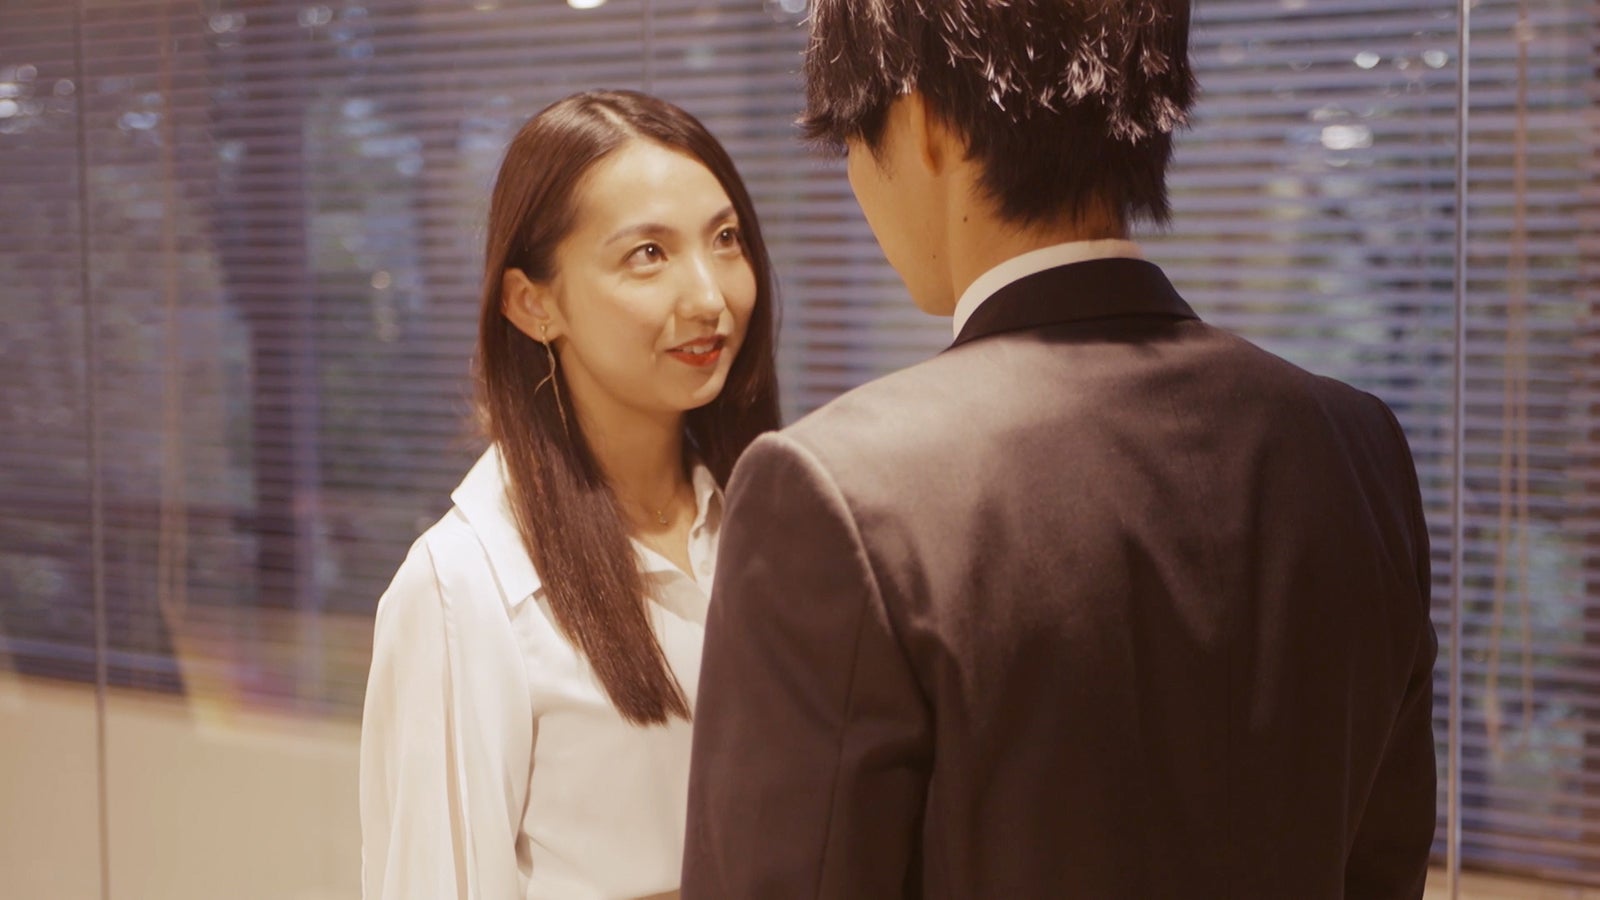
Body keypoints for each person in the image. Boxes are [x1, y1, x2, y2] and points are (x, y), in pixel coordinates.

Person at [681, 0, 1438, 897]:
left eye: (851, 138)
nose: (854, 176)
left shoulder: (838, 492)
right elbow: (1381, 865)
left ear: (923, 126)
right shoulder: (1357, 449)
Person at [359, 89, 780, 899]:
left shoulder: (768, 527)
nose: (710, 298)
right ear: (533, 303)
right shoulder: (466, 587)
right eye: (648, 254)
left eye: (725, 239)